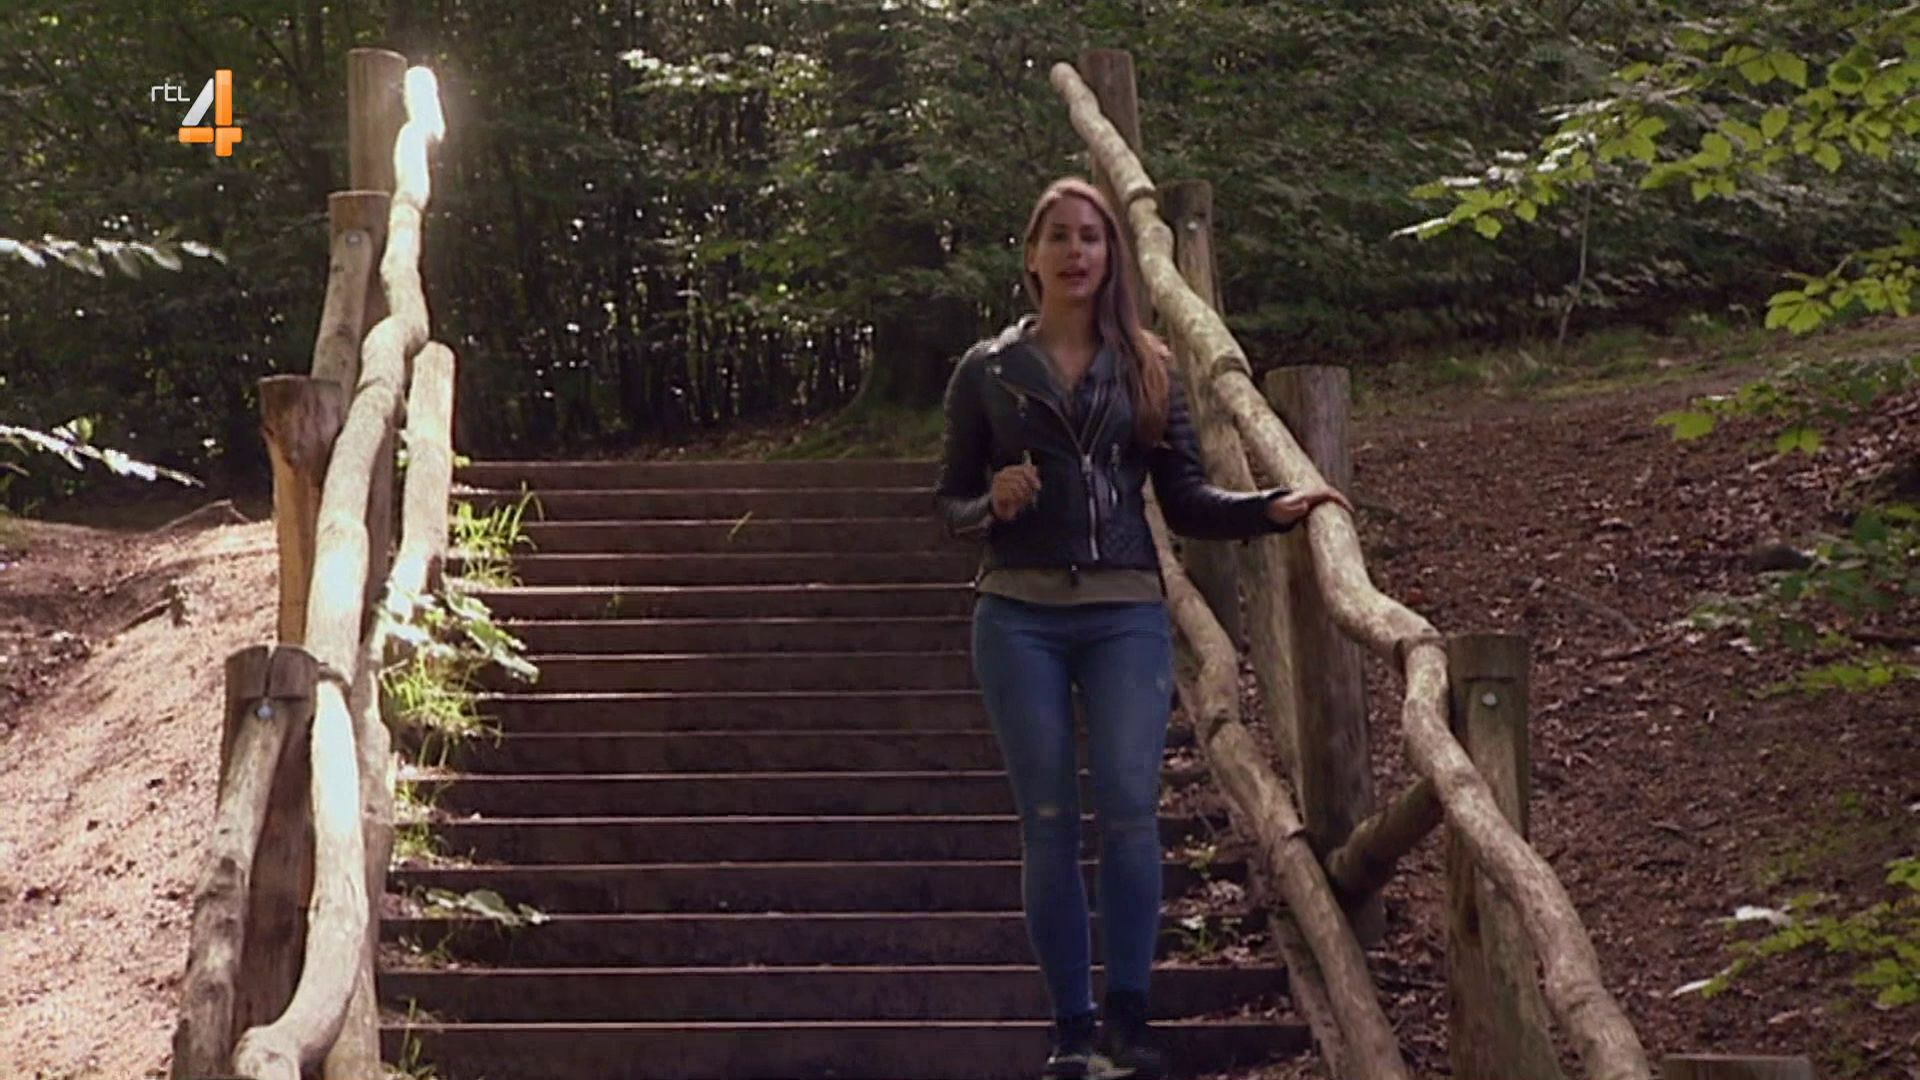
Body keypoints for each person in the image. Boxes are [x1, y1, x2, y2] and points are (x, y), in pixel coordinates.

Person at [933, 177, 1353, 1080]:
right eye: (1059, 236)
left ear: (1112, 256)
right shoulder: (987, 371)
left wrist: (1270, 506)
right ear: (1031, 255)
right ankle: (1071, 1031)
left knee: (1128, 808)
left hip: (1124, 610)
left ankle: (1128, 1018)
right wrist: (989, 502)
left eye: (1091, 236)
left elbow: (1187, 501)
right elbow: (949, 501)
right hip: (1017, 616)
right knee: (1049, 818)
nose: (1076, 251)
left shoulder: (1147, 365)